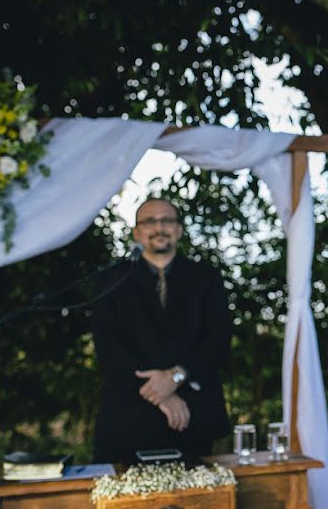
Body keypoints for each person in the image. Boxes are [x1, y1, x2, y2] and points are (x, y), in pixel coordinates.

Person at [91, 198, 232, 463]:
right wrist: (161, 394)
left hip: (194, 419)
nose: (159, 228)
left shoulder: (206, 278)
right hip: (128, 420)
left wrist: (176, 376)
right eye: (149, 221)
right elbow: (108, 345)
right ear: (136, 232)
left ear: (178, 229)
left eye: (167, 220)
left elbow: (219, 340)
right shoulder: (111, 280)